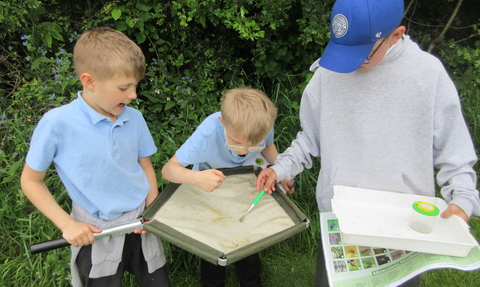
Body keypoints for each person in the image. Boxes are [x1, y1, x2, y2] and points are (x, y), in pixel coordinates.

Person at [255, 0, 480, 286]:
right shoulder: (329, 73)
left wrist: (462, 198)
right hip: (341, 222)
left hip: (404, 227)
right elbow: (310, 138)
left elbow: (454, 149)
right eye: (343, 51)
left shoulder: (428, 75)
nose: (349, 63)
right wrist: (281, 168)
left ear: (396, 35)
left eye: (361, 53)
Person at [20, 27, 172, 287]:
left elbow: (144, 165)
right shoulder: (57, 123)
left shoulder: (134, 118)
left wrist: (153, 209)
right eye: (124, 87)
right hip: (95, 231)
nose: (133, 94)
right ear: (89, 81)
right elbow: (31, 181)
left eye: (135, 85)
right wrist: (67, 224)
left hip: (140, 222)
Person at [161, 86, 295, 287]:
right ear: (222, 123)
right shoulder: (207, 134)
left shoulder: (262, 125)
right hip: (210, 189)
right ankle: (213, 282)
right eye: (236, 142)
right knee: (213, 241)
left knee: (247, 235)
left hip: (244, 185)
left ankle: (250, 280)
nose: (243, 151)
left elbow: (267, 146)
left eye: (252, 145)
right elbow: (168, 170)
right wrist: (197, 178)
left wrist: (281, 170)